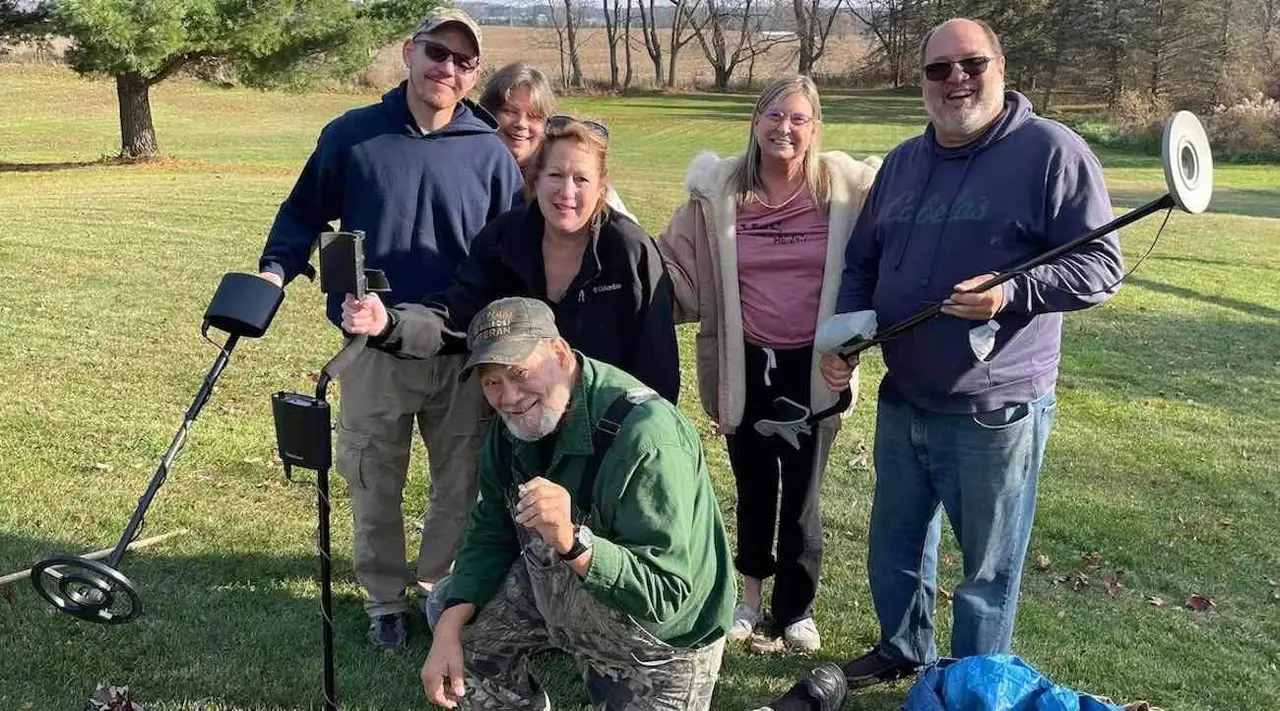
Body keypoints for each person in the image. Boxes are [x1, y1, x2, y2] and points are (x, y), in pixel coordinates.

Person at [818, 17, 1125, 691]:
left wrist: (1013, 291)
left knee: (985, 570)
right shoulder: (901, 163)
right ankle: (903, 648)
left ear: (1001, 68)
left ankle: (970, 683)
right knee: (895, 547)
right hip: (905, 400)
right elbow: (861, 261)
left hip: (995, 409)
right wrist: (847, 340)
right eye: (938, 68)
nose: (955, 78)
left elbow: (1102, 265)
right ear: (922, 80)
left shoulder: (1051, 152)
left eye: (971, 63)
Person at [255, 7, 524, 653]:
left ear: (473, 74)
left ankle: (437, 588)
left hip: (461, 353)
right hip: (371, 345)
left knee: (459, 484)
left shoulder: (489, 153)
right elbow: (301, 214)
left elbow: (512, 250)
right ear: (410, 51)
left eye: (463, 62)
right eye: (438, 52)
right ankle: (382, 600)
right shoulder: (352, 135)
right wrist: (271, 272)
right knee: (374, 479)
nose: (447, 68)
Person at [417, 296, 735, 710]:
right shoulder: (510, 430)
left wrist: (573, 541)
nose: (508, 396)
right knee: (451, 608)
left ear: (560, 354)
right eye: (491, 381)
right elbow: (491, 527)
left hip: (658, 639)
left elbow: (667, 594)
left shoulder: (647, 438)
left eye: (519, 373)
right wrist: (448, 630)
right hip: (566, 591)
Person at [657, 74, 881, 653]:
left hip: (816, 367)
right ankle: (749, 597)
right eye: (774, 116)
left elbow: (878, 270)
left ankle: (796, 610)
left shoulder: (845, 193)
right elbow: (668, 266)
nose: (784, 127)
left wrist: (852, 348)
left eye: (798, 118)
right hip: (747, 362)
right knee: (754, 487)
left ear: (815, 128)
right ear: (756, 122)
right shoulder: (718, 195)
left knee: (804, 496)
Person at [341, 116, 681, 403]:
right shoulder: (505, 239)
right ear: (534, 180)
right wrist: (388, 323)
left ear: (601, 187)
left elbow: (656, 362)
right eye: (555, 176)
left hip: (604, 419)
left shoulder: (629, 250)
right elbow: (455, 316)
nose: (567, 192)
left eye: (581, 179)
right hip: (518, 415)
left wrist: (642, 429)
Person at [478, 61, 637, 221]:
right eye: (510, 111)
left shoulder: (566, 166)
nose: (521, 124)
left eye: (534, 116)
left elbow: (628, 229)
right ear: (489, 114)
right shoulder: (473, 169)